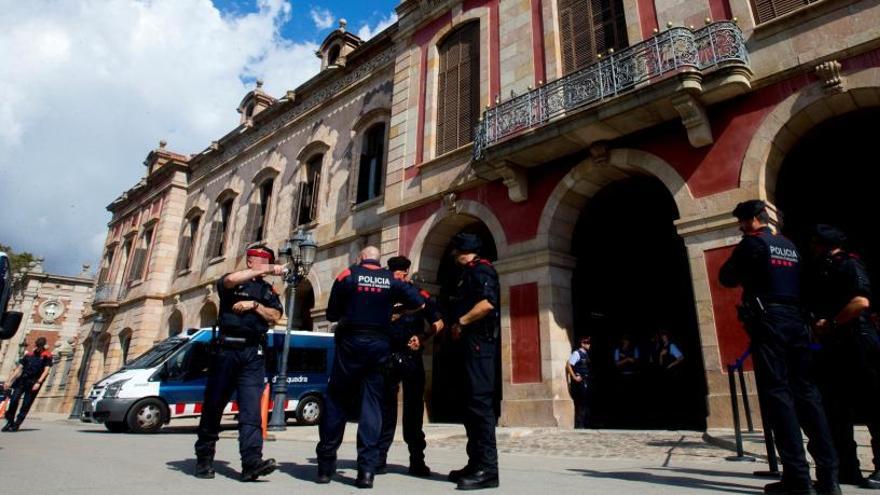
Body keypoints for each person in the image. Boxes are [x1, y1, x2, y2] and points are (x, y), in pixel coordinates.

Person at [719, 200, 839, 495]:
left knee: (778, 395)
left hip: (770, 321)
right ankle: (829, 476)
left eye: (743, 221)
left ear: (752, 220)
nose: (740, 226)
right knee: (808, 394)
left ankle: (797, 476)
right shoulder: (791, 246)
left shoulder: (752, 245)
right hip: (797, 322)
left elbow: (726, 277)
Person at [316, 246, 425, 489]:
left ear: (361, 259)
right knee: (372, 405)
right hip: (378, 345)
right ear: (378, 261)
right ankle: (366, 471)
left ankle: (325, 467)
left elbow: (332, 314)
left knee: (337, 401)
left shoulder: (347, 275)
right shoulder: (390, 280)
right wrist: (394, 312)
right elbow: (419, 303)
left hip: (350, 344)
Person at [193, 245, 284, 481]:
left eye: (269, 263)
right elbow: (231, 279)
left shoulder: (267, 290)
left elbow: (275, 316)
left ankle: (251, 462)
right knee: (214, 405)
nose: (266, 268)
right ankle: (204, 458)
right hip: (226, 350)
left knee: (251, 410)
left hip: (253, 353)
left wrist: (255, 306)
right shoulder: (233, 283)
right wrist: (266, 270)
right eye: (262, 263)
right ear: (251, 261)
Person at [807, 224, 880, 489]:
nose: (812, 248)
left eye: (815, 243)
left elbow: (861, 302)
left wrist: (832, 324)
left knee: (872, 406)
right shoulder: (823, 269)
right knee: (837, 410)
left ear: (823, 244)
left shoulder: (850, 265)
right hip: (835, 346)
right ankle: (847, 469)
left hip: (858, 340)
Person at [377, 255, 444, 477]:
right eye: (397, 274)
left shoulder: (418, 294)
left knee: (414, 410)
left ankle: (417, 460)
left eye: (403, 274)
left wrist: (423, 338)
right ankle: (379, 459)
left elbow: (438, 321)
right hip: (387, 355)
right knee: (386, 410)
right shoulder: (382, 293)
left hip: (411, 357)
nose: (401, 278)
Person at [445, 232, 501, 490]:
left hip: (480, 344)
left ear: (463, 251)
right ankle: (475, 463)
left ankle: (488, 470)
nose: (453, 255)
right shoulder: (468, 273)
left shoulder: (482, 270)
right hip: (470, 345)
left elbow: (488, 304)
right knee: (470, 407)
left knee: (480, 406)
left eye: (456, 250)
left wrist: (462, 322)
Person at [2, 337, 52, 432]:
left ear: (44, 347)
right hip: (22, 380)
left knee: (26, 404)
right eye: (37, 346)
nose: (38, 348)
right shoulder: (29, 355)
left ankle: (17, 424)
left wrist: (38, 382)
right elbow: (19, 368)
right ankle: (10, 422)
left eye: (40, 347)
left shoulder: (47, 356)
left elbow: (46, 370)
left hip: (34, 382)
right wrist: (9, 381)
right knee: (14, 400)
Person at [566, 336, 592, 429]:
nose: (589, 344)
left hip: (586, 380)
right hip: (580, 382)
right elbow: (569, 365)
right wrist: (574, 377)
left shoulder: (586, 354)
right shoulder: (577, 353)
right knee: (581, 403)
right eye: (587, 342)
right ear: (582, 343)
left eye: (589, 342)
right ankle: (579, 424)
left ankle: (585, 423)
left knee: (586, 402)